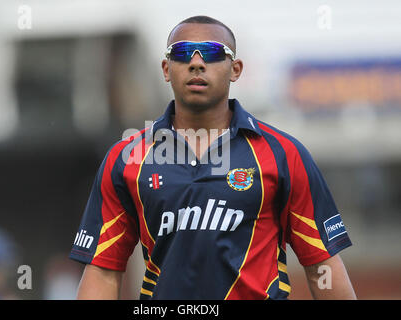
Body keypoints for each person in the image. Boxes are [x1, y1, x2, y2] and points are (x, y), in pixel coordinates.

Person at [69, 15, 356, 300]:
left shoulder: (284, 153)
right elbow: (103, 270)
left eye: (213, 53)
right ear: (166, 69)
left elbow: (321, 264)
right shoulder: (127, 158)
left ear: (235, 69)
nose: (196, 63)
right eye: (182, 53)